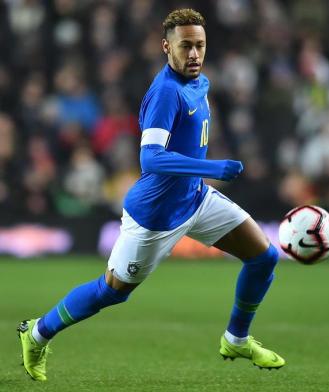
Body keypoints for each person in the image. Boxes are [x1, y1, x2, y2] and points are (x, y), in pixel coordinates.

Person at [18, 8, 285, 381]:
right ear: (166, 47)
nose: (194, 54)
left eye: (200, 46)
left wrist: (202, 178)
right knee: (112, 291)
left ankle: (236, 338)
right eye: (186, 46)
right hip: (155, 215)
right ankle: (37, 333)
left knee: (263, 257)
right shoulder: (165, 92)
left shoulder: (200, 82)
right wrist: (214, 168)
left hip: (194, 199)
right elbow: (151, 157)